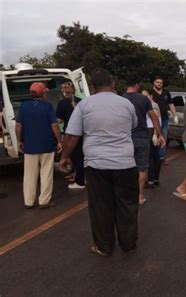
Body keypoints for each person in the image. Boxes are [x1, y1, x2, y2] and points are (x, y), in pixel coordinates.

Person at [59, 68, 139, 256]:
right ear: (112, 84)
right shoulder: (126, 104)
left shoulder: (84, 105)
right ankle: (129, 245)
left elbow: (71, 136)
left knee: (101, 207)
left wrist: (64, 158)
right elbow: (134, 125)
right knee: (127, 205)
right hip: (125, 163)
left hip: (97, 165)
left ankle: (104, 247)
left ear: (93, 88)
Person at [15, 82, 62, 209]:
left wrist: (19, 141)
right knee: (46, 173)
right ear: (42, 93)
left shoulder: (24, 106)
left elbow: (18, 125)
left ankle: (29, 202)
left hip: (29, 147)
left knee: (29, 175)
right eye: (45, 91)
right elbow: (54, 125)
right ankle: (44, 201)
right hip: (47, 146)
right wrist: (59, 140)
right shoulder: (48, 107)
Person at [122, 76, 164, 204]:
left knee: (125, 167)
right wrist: (159, 134)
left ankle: (126, 194)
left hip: (125, 138)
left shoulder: (121, 99)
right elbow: (154, 117)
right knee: (141, 168)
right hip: (141, 137)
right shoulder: (144, 99)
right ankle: (140, 196)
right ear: (137, 85)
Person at [56, 81, 85, 189]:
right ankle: (77, 175)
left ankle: (80, 181)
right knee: (81, 156)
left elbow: (58, 120)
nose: (64, 89)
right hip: (82, 133)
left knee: (75, 157)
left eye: (64, 87)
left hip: (71, 133)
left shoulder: (62, 103)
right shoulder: (82, 101)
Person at [151, 76, 178, 165]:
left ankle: (161, 157)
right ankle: (152, 156)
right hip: (154, 119)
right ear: (154, 83)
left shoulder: (166, 92)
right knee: (154, 137)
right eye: (157, 82)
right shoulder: (151, 92)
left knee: (164, 136)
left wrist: (175, 116)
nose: (159, 84)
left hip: (164, 118)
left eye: (161, 82)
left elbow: (171, 104)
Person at [142, 89, 163, 188]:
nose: (144, 98)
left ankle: (151, 180)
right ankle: (155, 179)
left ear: (151, 95)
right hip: (153, 130)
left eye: (146, 96)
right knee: (155, 156)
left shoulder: (153, 105)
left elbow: (156, 119)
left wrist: (155, 134)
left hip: (151, 130)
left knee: (151, 156)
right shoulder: (150, 104)